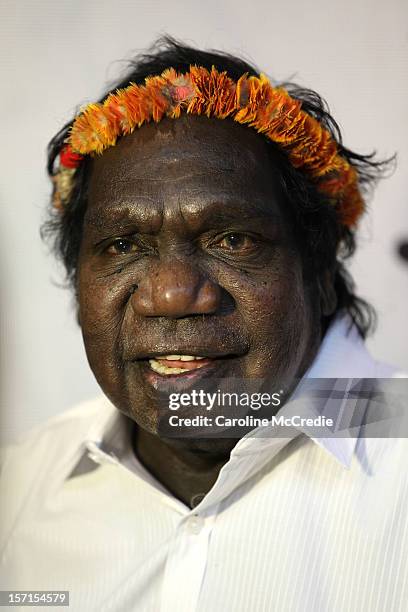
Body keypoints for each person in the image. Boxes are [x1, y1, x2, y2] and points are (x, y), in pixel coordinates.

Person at [1, 37, 407, 612]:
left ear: (317, 272)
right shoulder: (20, 489)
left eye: (232, 239)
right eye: (122, 245)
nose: (171, 295)